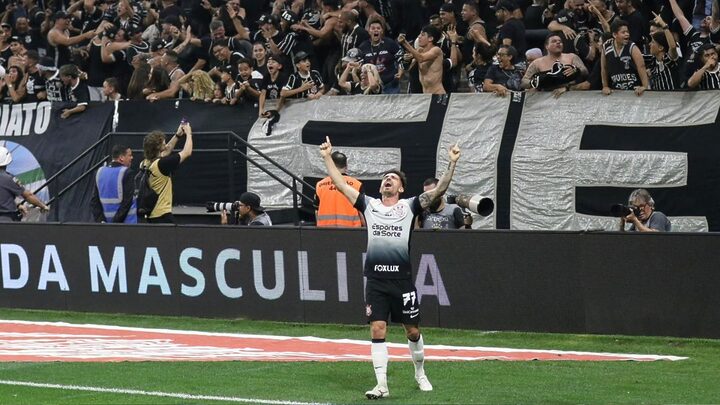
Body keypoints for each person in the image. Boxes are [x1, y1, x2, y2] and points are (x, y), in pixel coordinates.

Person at [319, 136, 462, 399]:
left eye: (393, 178)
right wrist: (327, 156)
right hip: (375, 281)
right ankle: (382, 385)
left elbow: (439, 190)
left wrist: (451, 163)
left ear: (401, 188)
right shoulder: (369, 205)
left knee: (413, 330)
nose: (387, 179)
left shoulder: (409, 207)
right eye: (385, 177)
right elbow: (339, 184)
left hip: (402, 282)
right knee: (377, 328)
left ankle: (420, 373)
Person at [140, 122, 194, 223]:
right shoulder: (161, 164)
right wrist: (188, 133)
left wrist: (177, 135)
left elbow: (166, 150)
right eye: (163, 142)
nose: (165, 143)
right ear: (157, 147)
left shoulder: (145, 163)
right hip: (163, 215)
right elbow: (187, 152)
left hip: (152, 215)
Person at [314, 151, 364, 227]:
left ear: (331, 165)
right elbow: (362, 211)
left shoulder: (320, 185)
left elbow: (316, 211)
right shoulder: (357, 184)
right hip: (352, 230)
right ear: (346, 166)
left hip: (325, 230)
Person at [0, 146, 49, 222]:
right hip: (6, 220)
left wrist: (17, 205)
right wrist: (42, 206)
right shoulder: (9, 178)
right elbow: (28, 195)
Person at [90, 144, 137, 223]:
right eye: (129, 155)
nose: (131, 158)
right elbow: (127, 202)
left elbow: (94, 201)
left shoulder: (100, 172)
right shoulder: (127, 173)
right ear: (121, 157)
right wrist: (114, 224)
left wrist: (101, 221)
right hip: (127, 226)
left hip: (105, 226)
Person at [397, 25, 446, 94]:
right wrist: (407, 60)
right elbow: (409, 68)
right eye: (419, 34)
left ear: (430, 38)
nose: (419, 37)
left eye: (422, 35)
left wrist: (405, 43)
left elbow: (421, 58)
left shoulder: (436, 50)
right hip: (425, 95)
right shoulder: (419, 51)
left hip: (437, 93)